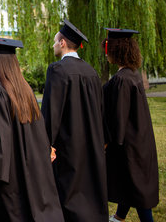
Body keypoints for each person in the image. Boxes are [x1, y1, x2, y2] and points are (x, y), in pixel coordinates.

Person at [0, 37, 64, 222]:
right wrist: (46, 148)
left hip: (12, 173)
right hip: (33, 167)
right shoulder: (26, 89)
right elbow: (39, 128)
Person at [40, 20, 108, 222]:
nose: (53, 45)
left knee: (68, 195)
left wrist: (45, 142)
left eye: (55, 41)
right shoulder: (92, 72)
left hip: (68, 146)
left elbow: (51, 112)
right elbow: (100, 110)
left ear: (62, 43)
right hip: (92, 144)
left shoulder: (57, 70)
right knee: (91, 191)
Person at [102, 28, 159, 222]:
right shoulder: (132, 74)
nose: (106, 53)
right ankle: (119, 217)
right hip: (140, 139)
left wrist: (107, 142)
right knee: (131, 182)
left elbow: (119, 118)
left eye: (107, 48)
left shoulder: (122, 80)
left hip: (129, 144)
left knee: (138, 190)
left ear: (116, 51)